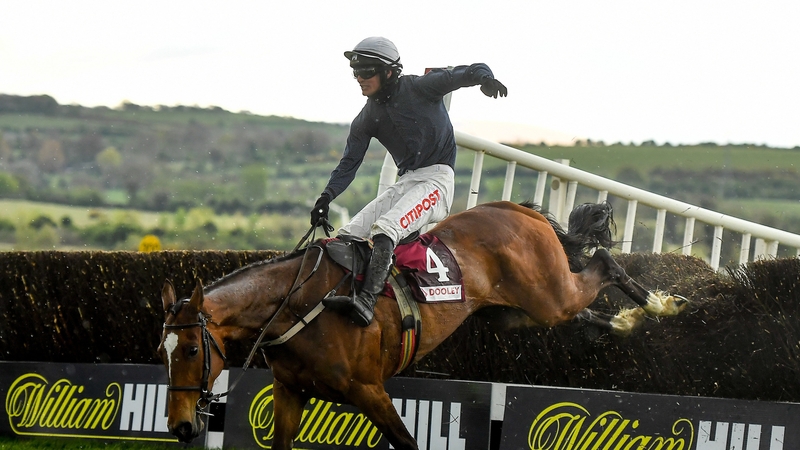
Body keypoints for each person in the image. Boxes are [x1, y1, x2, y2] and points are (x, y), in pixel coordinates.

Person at [311, 36, 507, 327]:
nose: (359, 79)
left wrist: (485, 79)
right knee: (345, 237)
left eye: (365, 72)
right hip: (407, 182)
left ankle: (367, 303)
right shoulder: (366, 117)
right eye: (355, 72)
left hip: (438, 181)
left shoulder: (421, 87)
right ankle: (343, 294)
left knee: (386, 229)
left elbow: (466, 71)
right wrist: (326, 197)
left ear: (388, 72)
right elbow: (349, 164)